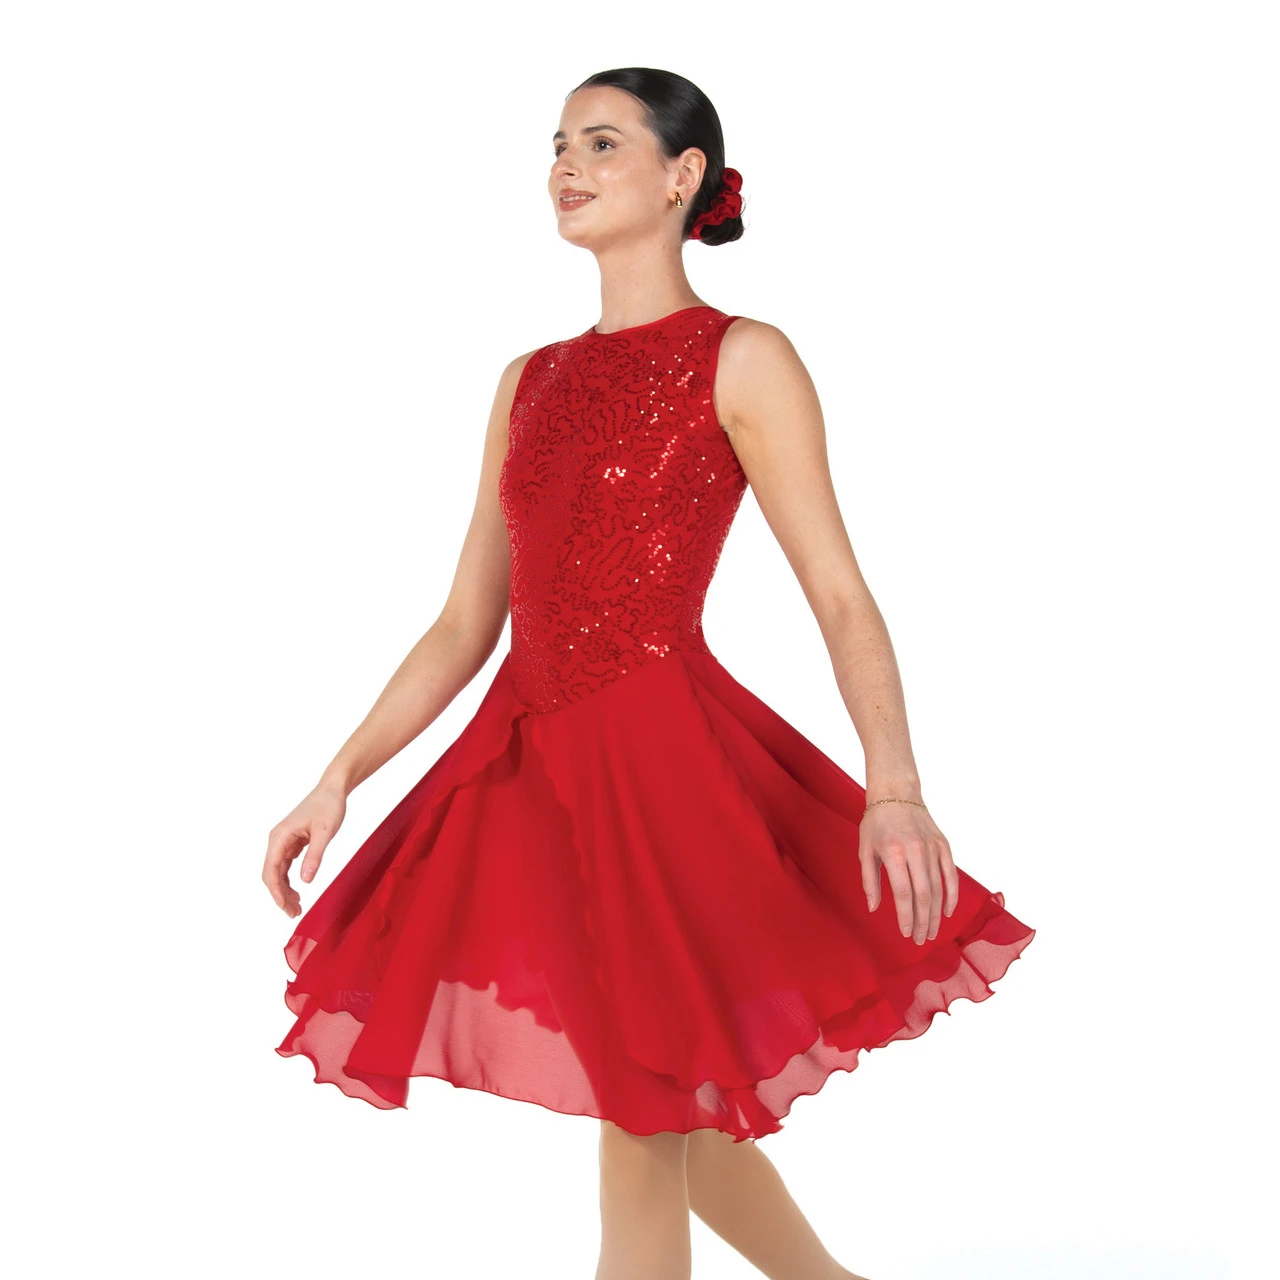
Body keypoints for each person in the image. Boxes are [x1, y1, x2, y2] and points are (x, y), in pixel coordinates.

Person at [262, 66, 1034, 1280]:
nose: (565, 167)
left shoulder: (742, 356)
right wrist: (336, 776)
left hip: (662, 767)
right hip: (530, 774)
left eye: (602, 143)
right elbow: (465, 622)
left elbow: (838, 591)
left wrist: (894, 784)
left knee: (641, 1104)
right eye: (558, 144)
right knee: (665, 1096)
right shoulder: (527, 379)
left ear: (683, 177)